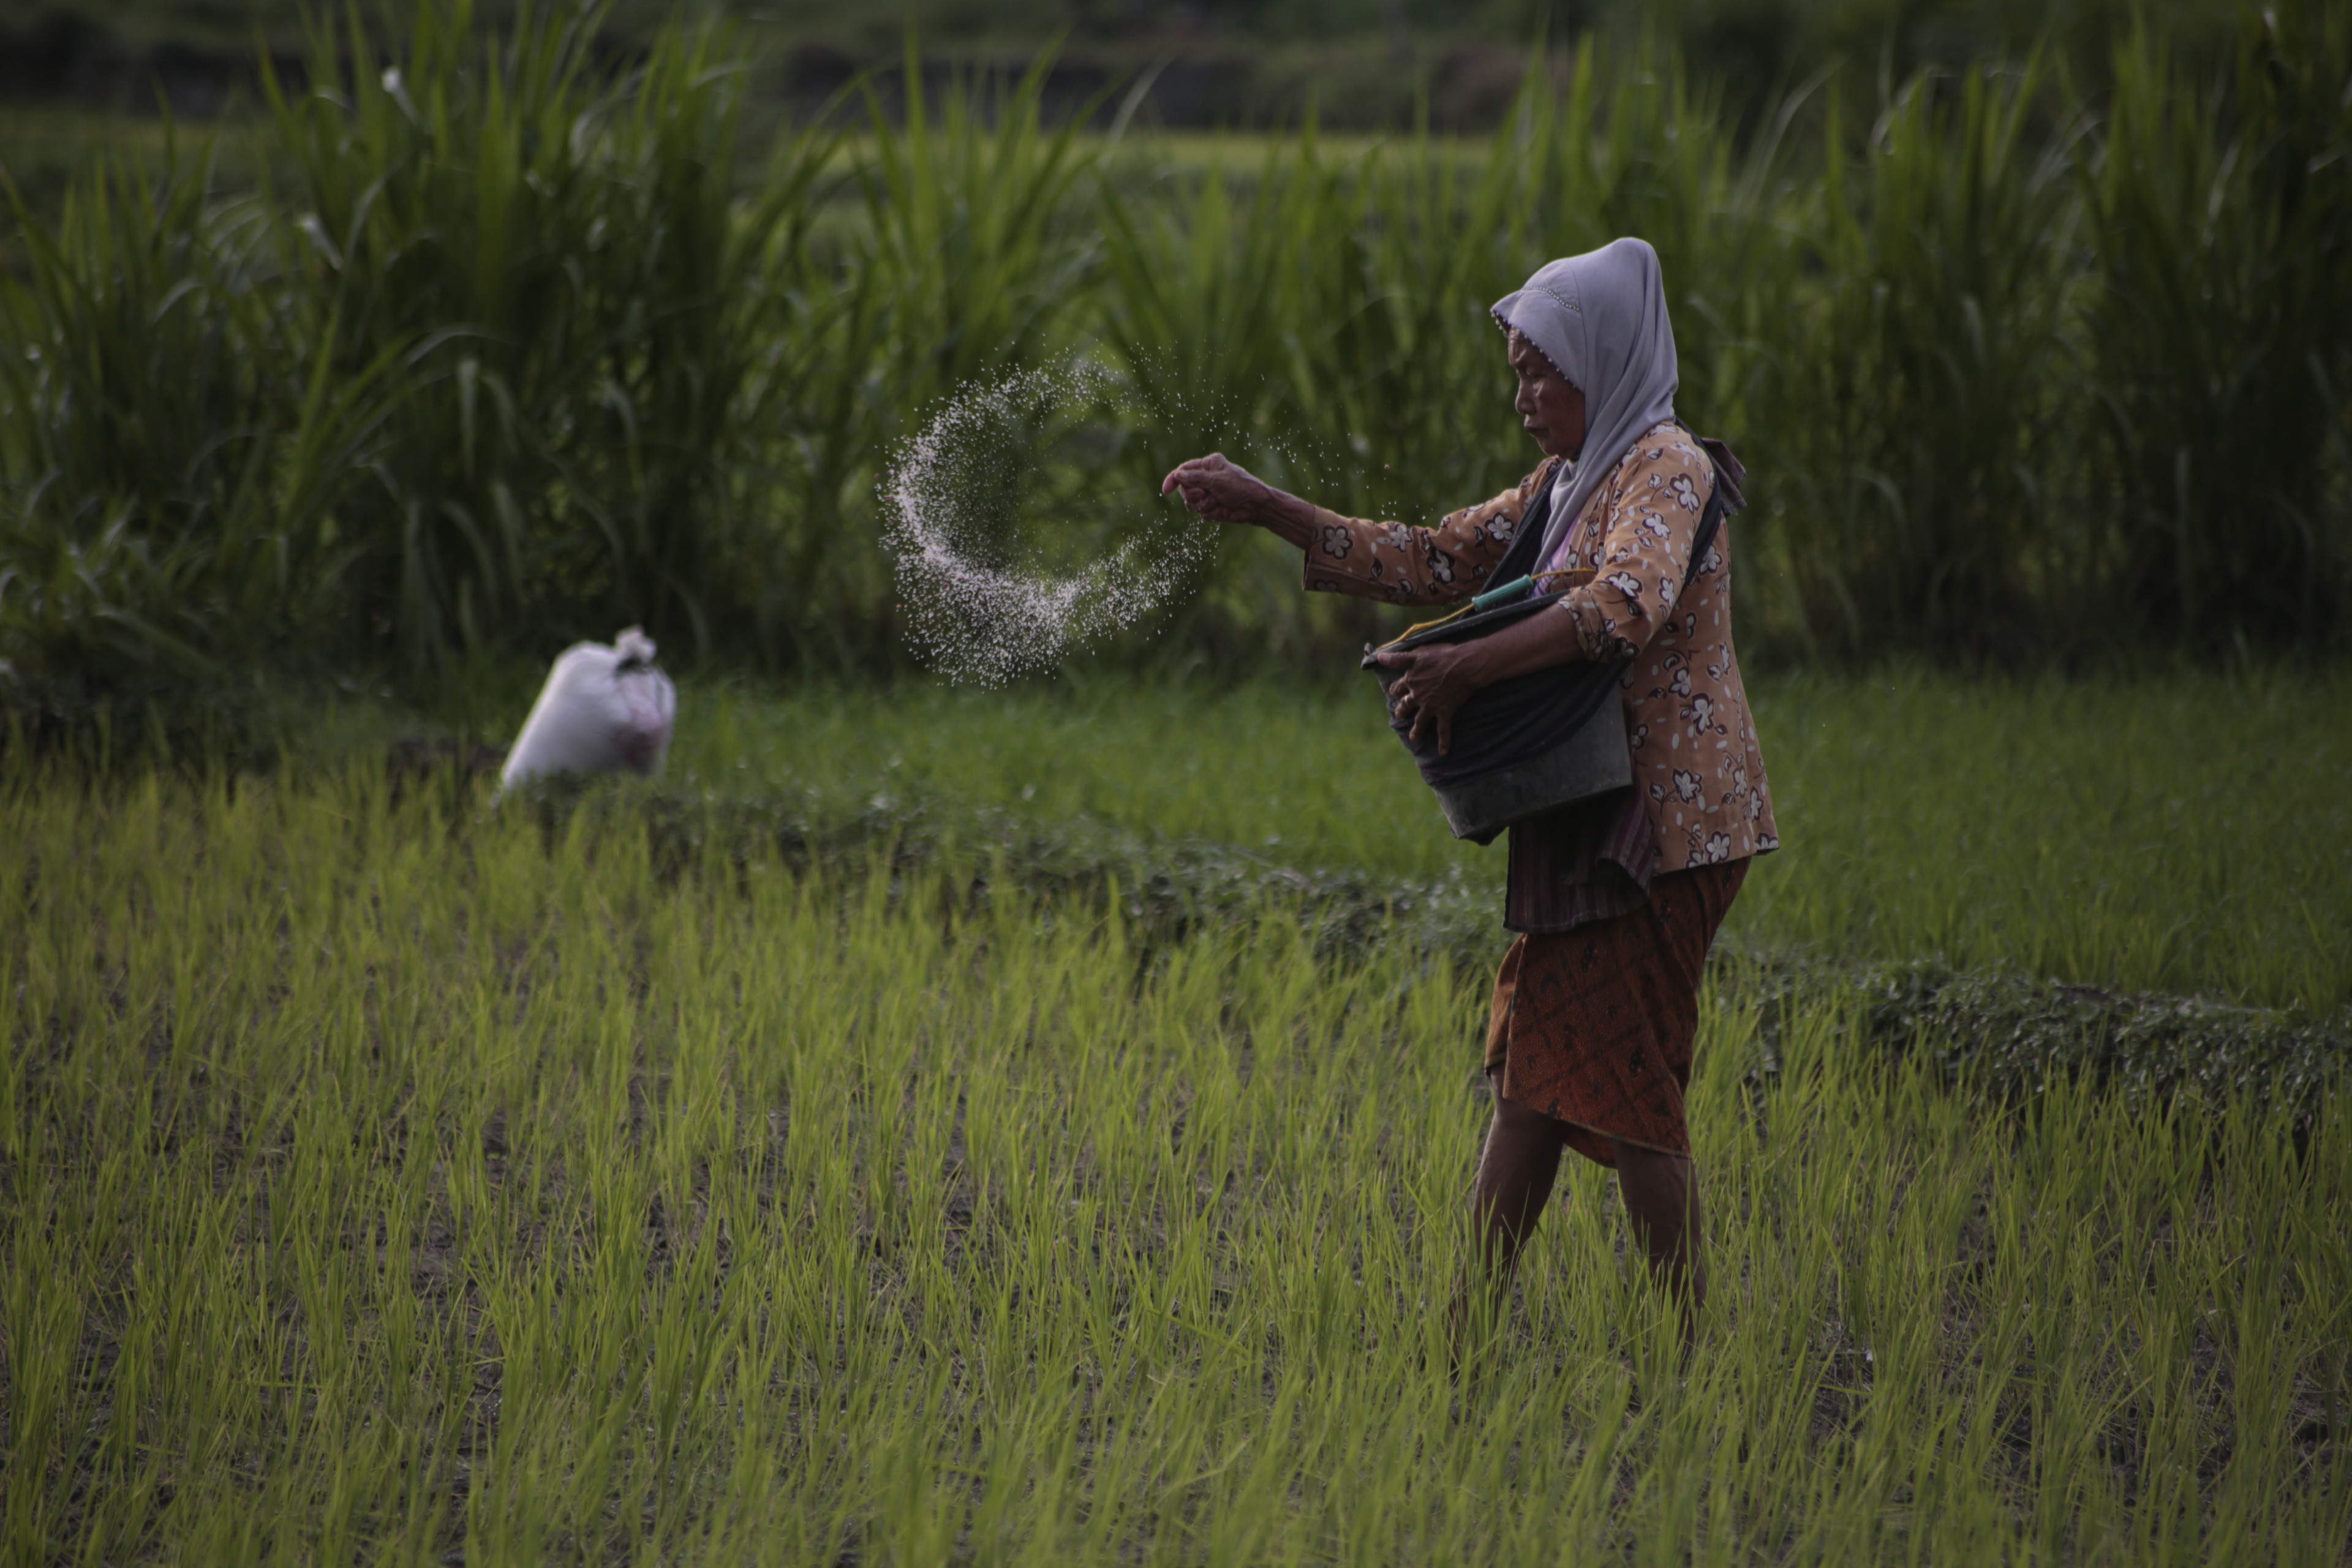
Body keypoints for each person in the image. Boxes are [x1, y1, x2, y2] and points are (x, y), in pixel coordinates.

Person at [1160, 238, 1777, 1352]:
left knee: (1629, 1084)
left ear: (1606, 359)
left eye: (1544, 371)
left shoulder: (1666, 469)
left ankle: (1695, 1353)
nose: (1525, 398)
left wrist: (1469, 668)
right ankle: (1462, 1335)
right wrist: (1266, 508)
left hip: (1666, 833)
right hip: (1592, 816)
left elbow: (1626, 602)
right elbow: (1439, 562)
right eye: (1518, 372)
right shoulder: (1564, 488)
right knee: (1537, 1072)